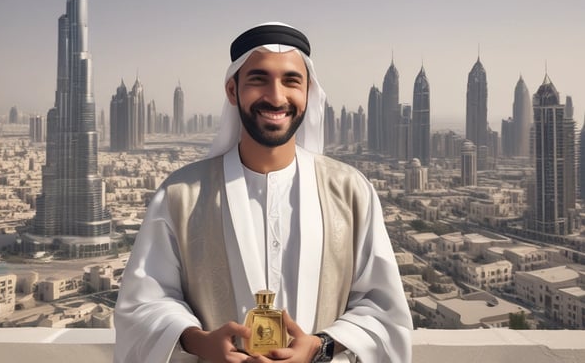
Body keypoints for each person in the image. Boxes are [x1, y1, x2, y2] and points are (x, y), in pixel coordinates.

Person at [113, 23, 413, 363]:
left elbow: (382, 308)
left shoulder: (349, 190)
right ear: (232, 90)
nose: (276, 96)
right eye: (258, 79)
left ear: (308, 92)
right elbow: (143, 304)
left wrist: (319, 347)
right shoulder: (181, 194)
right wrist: (199, 342)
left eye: (291, 80)